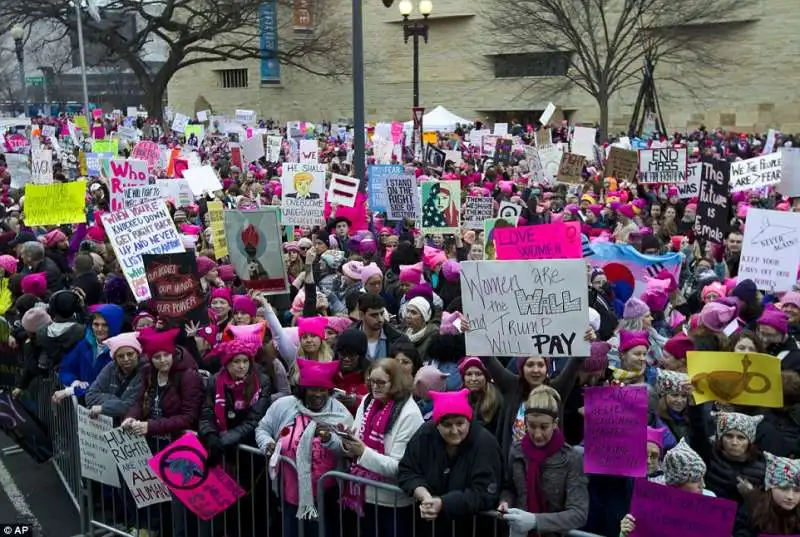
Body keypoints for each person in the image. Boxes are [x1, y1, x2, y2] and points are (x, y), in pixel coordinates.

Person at [255, 358, 353, 537]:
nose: (318, 394)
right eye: (312, 389)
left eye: (322, 389)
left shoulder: (340, 413)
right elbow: (263, 428)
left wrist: (329, 439)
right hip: (290, 492)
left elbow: (350, 448)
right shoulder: (284, 406)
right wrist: (267, 444)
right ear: (302, 390)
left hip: (326, 496)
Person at [398, 389, 503, 537]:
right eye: (447, 425)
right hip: (431, 528)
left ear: (469, 420)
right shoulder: (425, 435)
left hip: (472, 529)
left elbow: (485, 493)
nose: (454, 431)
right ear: (437, 424)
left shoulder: (485, 444)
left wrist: (444, 503)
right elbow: (407, 470)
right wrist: (424, 495)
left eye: (460, 423)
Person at [340, 358, 424, 537]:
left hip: (393, 502)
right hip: (365, 494)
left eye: (381, 383)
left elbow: (399, 466)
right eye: (371, 381)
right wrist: (348, 440)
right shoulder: (368, 400)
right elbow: (358, 437)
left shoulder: (410, 414)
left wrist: (362, 451)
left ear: (395, 383)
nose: (374, 387)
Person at [497, 385, 588, 536]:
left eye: (544, 427)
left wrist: (535, 521)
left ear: (555, 423)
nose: (537, 434)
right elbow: (509, 487)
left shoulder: (571, 458)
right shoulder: (517, 451)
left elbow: (578, 513)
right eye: (532, 426)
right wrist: (505, 502)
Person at [123, 328, 204, 439]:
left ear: (172, 354)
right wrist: (131, 417)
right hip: (153, 436)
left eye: (166, 355)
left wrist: (151, 426)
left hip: (177, 438)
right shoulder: (148, 372)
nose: (162, 360)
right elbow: (139, 401)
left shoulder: (188, 375)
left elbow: (188, 417)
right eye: (157, 357)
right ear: (151, 359)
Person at [54, 303, 124, 402]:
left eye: (105, 325)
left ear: (114, 326)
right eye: (96, 324)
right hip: (85, 406)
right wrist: (74, 381)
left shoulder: (120, 351)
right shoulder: (85, 344)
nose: (99, 329)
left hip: (107, 408)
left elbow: (105, 386)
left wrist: (72, 391)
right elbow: (66, 368)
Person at [734, 452, 800, 536]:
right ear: (770, 488)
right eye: (783, 489)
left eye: (797, 491)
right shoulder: (752, 508)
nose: (790, 496)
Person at [85, 332, 144, 422]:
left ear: (137, 353)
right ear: (115, 358)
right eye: (120, 356)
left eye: (130, 354)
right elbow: (90, 396)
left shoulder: (144, 371)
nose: (126, 359)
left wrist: (103, 408)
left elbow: (130, 405)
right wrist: (116, 401)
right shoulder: (111, 367)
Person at [458, 357, 502, 433]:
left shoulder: (497, 401)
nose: (473, 378)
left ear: (486, 377)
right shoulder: (458, 399)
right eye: (469, 374)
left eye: (478, 374)